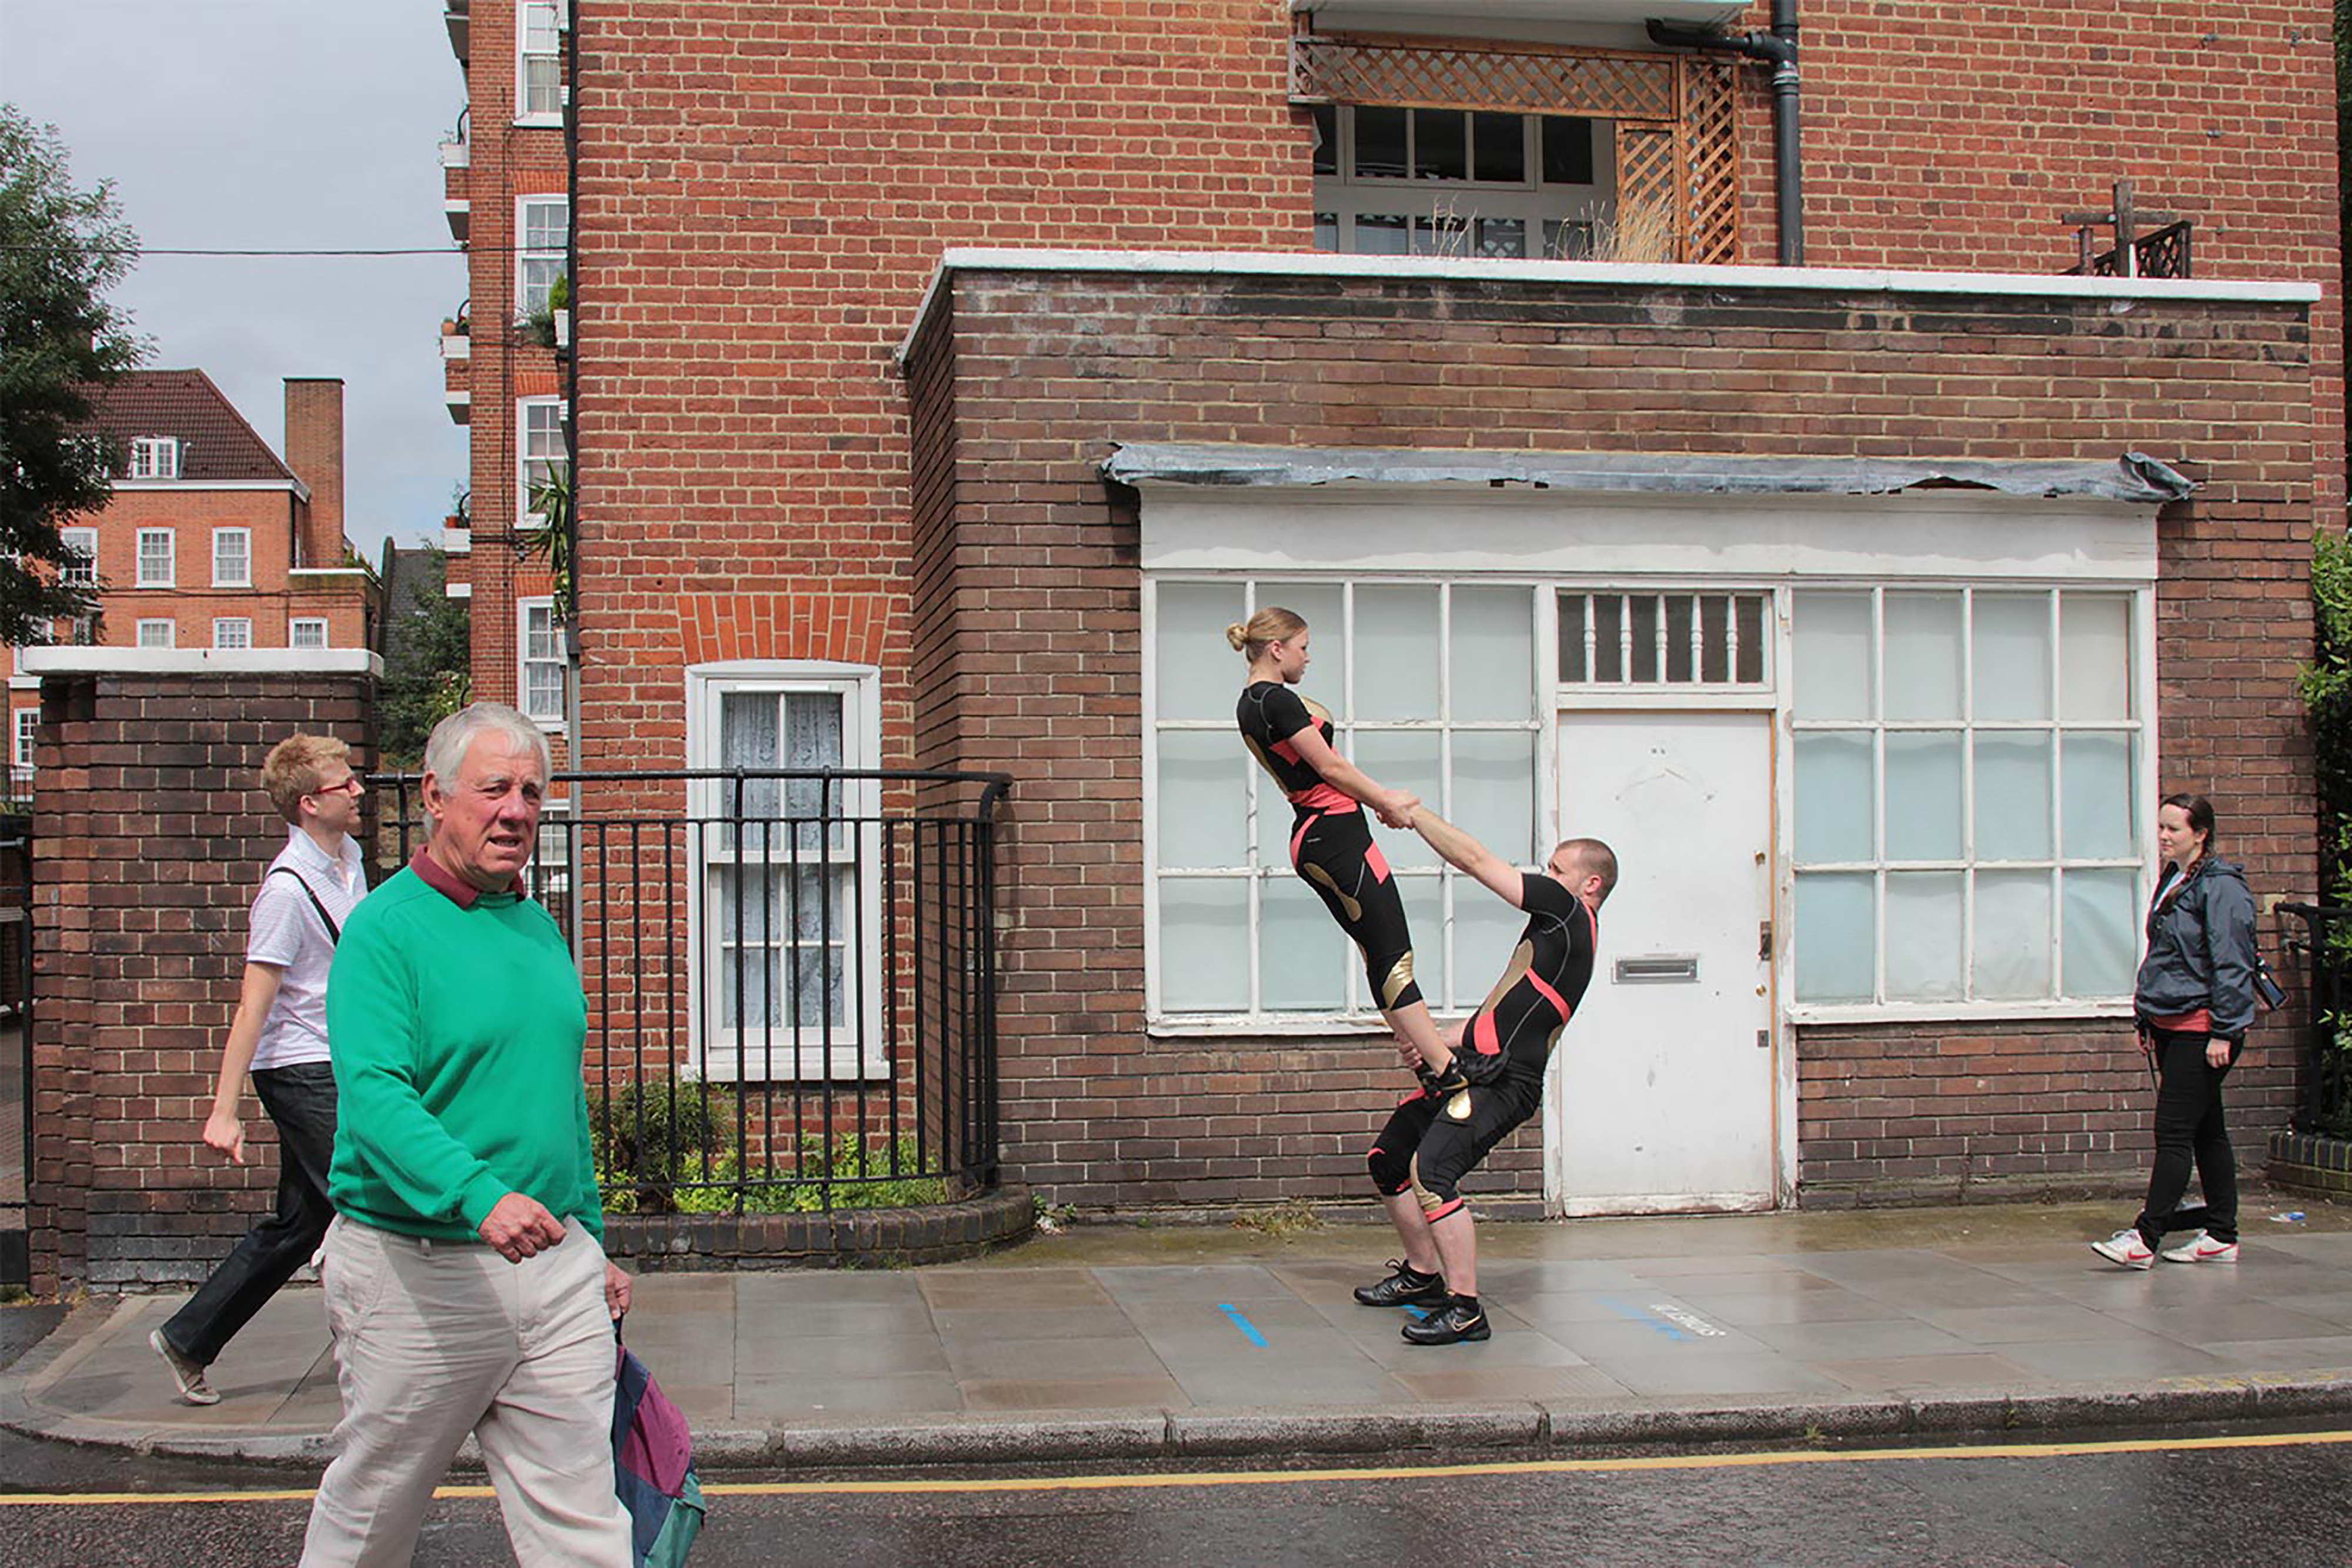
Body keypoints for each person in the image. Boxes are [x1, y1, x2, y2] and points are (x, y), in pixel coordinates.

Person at [300, 703, 632, 1567]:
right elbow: (374, 1098)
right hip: (420, 1269)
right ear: (434, 796)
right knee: (374, 1509)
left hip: (555, 1270)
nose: (516, 809)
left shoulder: (537, 924)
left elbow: (559, 1097)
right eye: (495, 788)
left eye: (531, 791)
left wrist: (591, 1237)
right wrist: (478, 1195)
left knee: (584, 1519)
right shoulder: (384, 928)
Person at [148, 735, 369, 1406]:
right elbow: (254, 1004)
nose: (358, 789)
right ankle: (392, 1353)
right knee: (372, 1201)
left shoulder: (349, 859)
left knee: (299, 1224)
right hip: (301, 1070)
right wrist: (225, 1107)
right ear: (309, 804)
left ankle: (189, 1337)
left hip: (337, 1061)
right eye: (344, 783)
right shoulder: (286, 892)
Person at [1354, 808, 1616, 1345]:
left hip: (1506, 1082)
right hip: (1478, 1067)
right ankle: (1423, 1276)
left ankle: (1466, 1307)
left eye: (1558, 868)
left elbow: (1473, 859)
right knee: (1390, 1158)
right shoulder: (1554, 936)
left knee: (1433, 1172)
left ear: (1590, 883)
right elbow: (1509, 1011)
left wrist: (1416, 815)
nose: (1548, 875)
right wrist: (1440, 1039)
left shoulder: (1568, 911)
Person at [1231, 606, 1452, 1076]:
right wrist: (1387, 800)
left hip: (1316, 835)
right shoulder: (1277, 701)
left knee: (1379, 950)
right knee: (1394, 951)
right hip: (1335, 834)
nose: (1308, 658)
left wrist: (1372, 800)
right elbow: (1330, 767)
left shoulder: (1249, 703)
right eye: (1304, 647)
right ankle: (1446, 1067)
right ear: (1277, 648)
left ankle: (1417, 1053)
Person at [2093, 791, 2259, 1270]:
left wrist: (2225, 1031)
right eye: (2161, 827)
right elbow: (2167, 955)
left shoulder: (2221, 887)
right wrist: (2147, 1016)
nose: (2163, 836)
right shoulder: (2175, 878)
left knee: (2173, 1133)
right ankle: (2221, 1234)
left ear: (2201, 834)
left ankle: (2146, 1238)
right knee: (2209, 1132)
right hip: (2170, 1021)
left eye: (2174, 829)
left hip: (2202, 1027)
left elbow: (2232, 962)